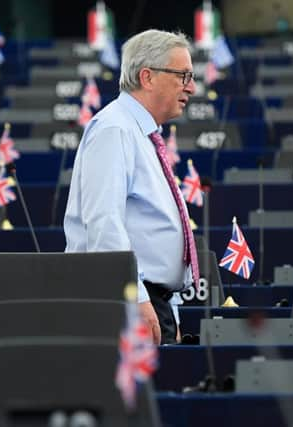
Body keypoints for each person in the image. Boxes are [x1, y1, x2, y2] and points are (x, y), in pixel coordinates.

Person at [63, 29, 199, 345]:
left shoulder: (142, 133)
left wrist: (169, 309)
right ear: (147, 77)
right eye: (183, 76)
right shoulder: (114, 129)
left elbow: (150, 234)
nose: (191, 88)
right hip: (123, 304)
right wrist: (135, 299)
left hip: (151, 301)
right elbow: (104, 225)